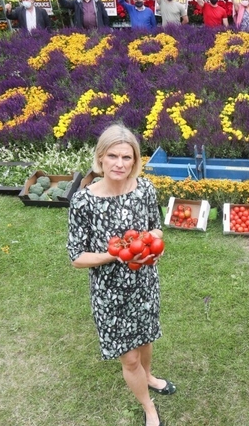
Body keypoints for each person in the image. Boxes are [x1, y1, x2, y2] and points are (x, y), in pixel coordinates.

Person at [67, 124, 175, 426]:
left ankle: (150, 376)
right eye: (112, 156)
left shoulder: (145, 190)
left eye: (127, 157)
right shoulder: (84, 201)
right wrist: (113, 254)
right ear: (100, 158)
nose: (119, 164)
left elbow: (155, 227)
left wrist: (154, 246)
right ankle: (148, 407)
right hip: (109, 293)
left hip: (144, 284)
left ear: (135, 160)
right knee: (129, 357)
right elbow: (77, 257)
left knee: (146, 340)